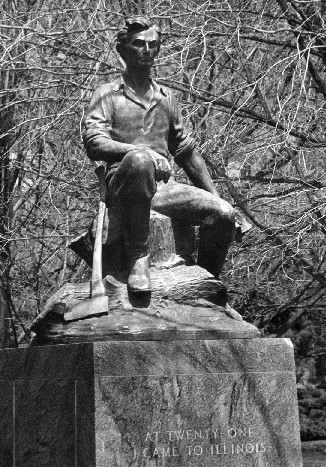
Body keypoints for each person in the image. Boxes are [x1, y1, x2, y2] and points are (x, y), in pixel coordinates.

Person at [82, 16, 245, 293]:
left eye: (152, 45)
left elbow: (185, 150)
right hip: (123, 185)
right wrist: (138, 150)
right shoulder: (107, 94)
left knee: (223, 214)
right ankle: (138, 256)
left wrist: (216, 197)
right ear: (123, 50)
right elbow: (94, 142)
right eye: (138, 44)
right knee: (139, 161)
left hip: (162, 188)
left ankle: (207, 282)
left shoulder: (166, 97)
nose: (146, 50)